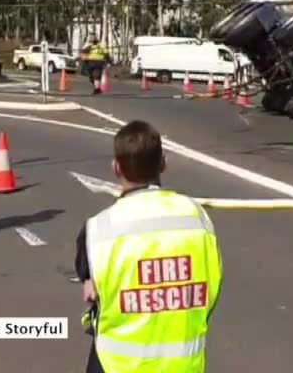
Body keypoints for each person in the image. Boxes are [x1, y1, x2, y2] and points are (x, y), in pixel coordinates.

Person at [74, 121, 222, 373]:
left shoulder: (98, 229)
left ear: (116, 168)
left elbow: (92, 291)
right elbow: (212, 285)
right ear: (163, 162)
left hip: (117, 366)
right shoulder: (196, 217)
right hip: (184, 365)